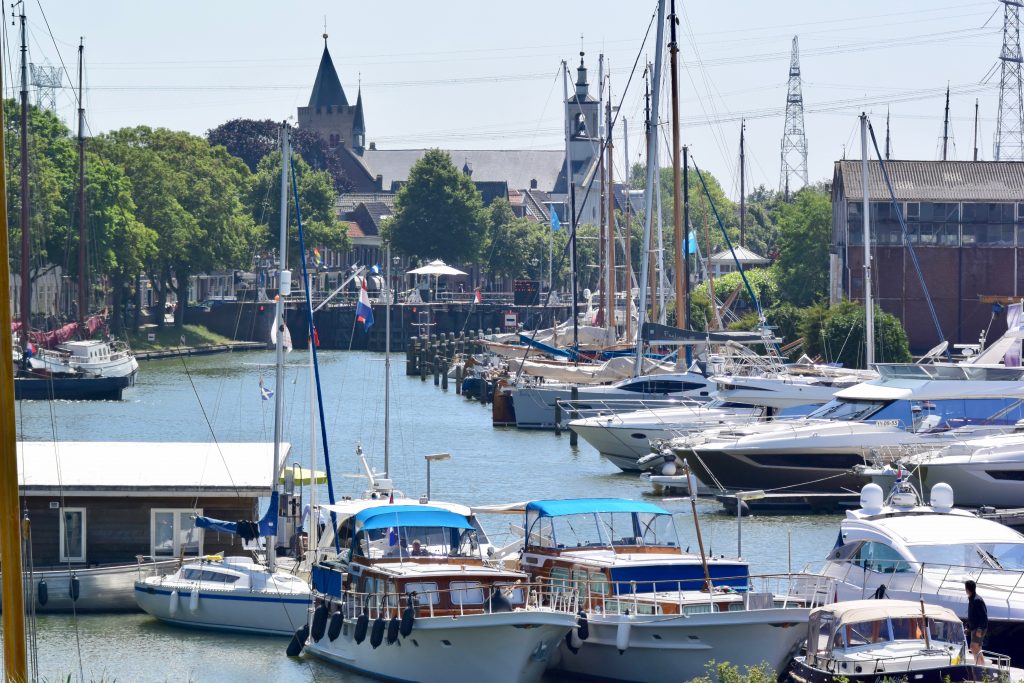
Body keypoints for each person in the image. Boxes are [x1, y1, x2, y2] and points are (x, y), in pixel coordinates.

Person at [965, 579, 988, 665]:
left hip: (979, 628)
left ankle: (980, 667)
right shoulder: (972, 599)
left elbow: (983, 616)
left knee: (973, 647)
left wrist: (980, 629)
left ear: (967, 589)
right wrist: (968, 627)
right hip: (974, 628)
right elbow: (972, 616)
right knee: (977, 648)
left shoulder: (977, 600)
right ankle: (981, 667)